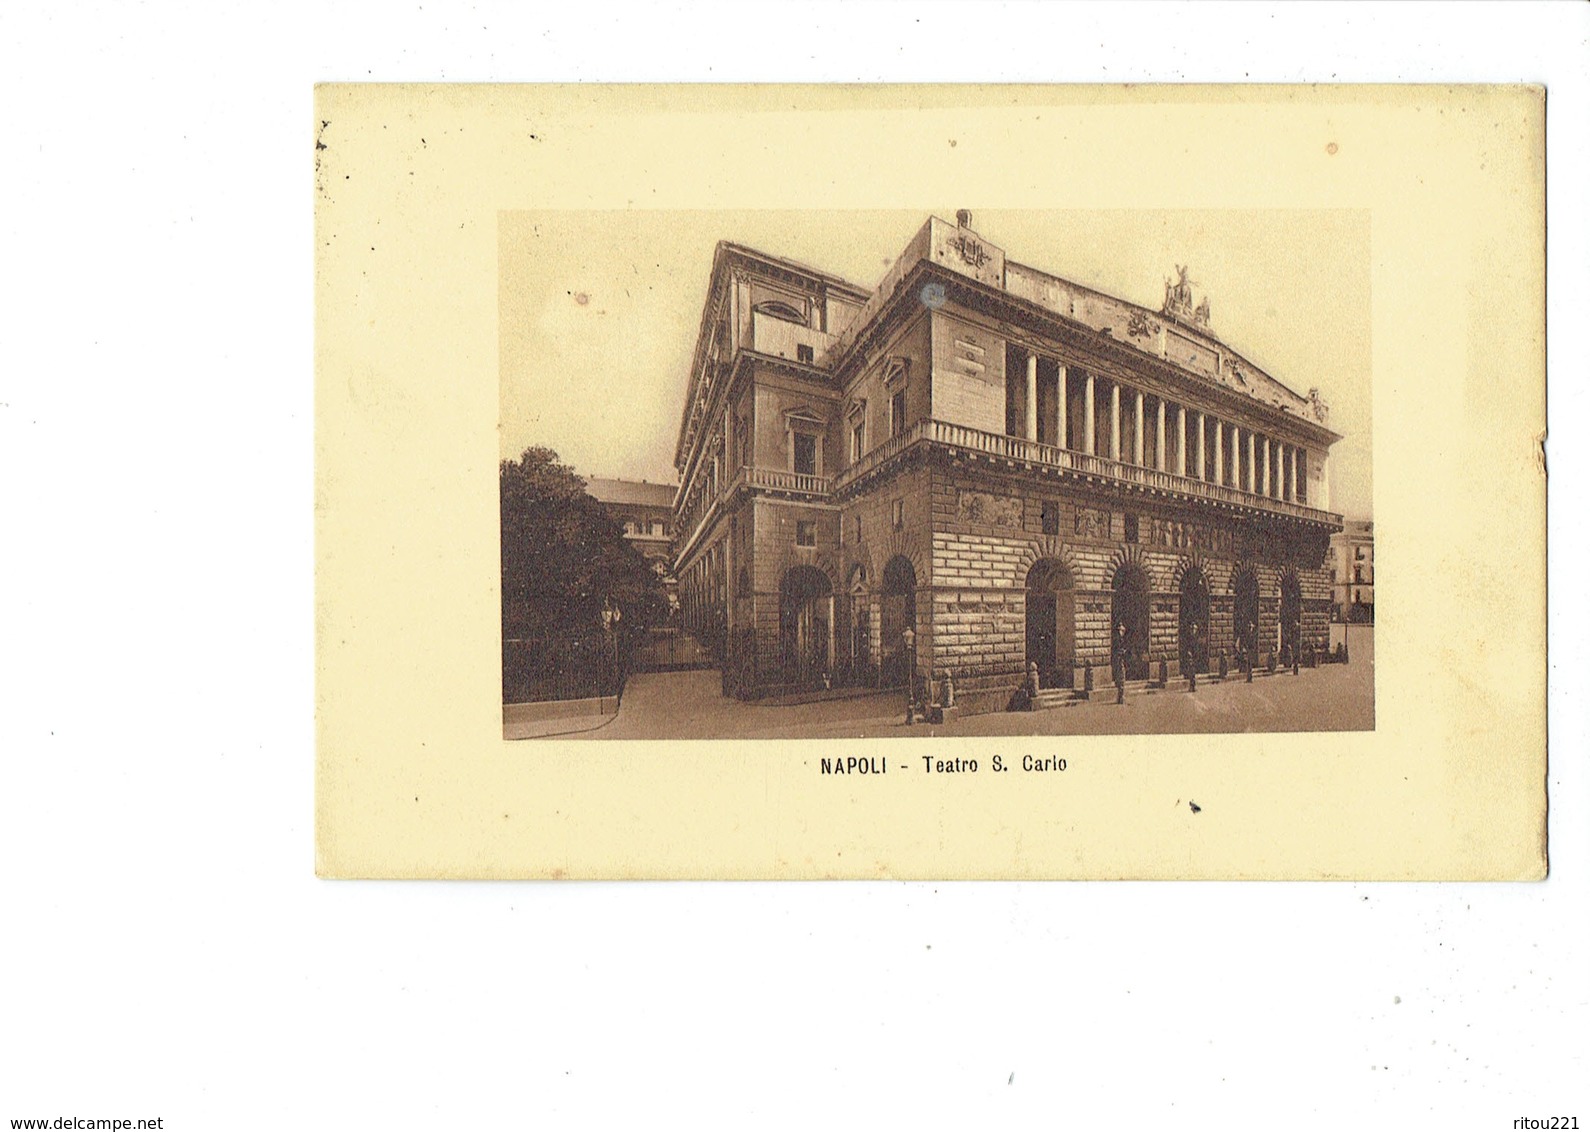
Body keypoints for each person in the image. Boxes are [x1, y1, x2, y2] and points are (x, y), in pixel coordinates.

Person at [1112, 622, 1129, 705]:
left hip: (1119, 660)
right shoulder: (1118, 640)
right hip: (1119, 661)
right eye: (1121, 631)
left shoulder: (1120, 640)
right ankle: (1120, 698)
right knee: (1121, 678)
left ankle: (1120, 697)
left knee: (1121, 679)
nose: (1122, 633)